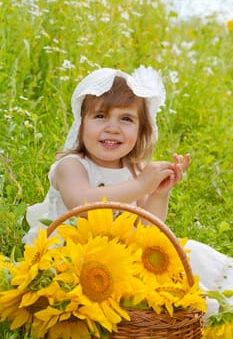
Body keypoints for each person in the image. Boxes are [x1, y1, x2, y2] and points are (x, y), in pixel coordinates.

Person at [22, 66, 233, 313]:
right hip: (72, 256)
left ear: (142, 130)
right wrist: (140, 185)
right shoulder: (72, 166)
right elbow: (81, 204)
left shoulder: (134, 169)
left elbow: (147, 227)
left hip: (120, 255)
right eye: (100, 116)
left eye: (126, 119)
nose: (113, 127)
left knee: (185, 262)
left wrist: (157, 193)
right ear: (81, 124)